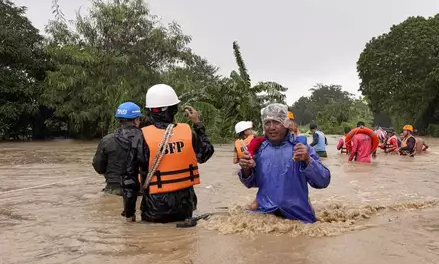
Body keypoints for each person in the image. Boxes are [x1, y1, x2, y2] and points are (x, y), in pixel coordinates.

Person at [121, 84, 214, 223]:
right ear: (174, 109)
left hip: (154, 209)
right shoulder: (188, 132)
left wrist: (129, 213)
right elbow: (206, 153)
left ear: (150, 111)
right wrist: (198, 124)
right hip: (185, 208)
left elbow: (130, 180)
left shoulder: (141, 137)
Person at [237, 103, 330, 223]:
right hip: (265, 214)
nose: (271, 127)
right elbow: (251, 183)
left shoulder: (301, 148)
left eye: (276, 122)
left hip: (297, 216)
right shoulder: (258, 150)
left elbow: (323, 181)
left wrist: (308, 160)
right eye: (267, 123)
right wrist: (246, 170)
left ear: (286, 123)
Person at [92, 102, 143, 195]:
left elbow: (98, 166)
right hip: (137, 189)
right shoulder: (146, 139)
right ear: (135, 121)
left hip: (113, 189)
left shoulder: (106, 140)